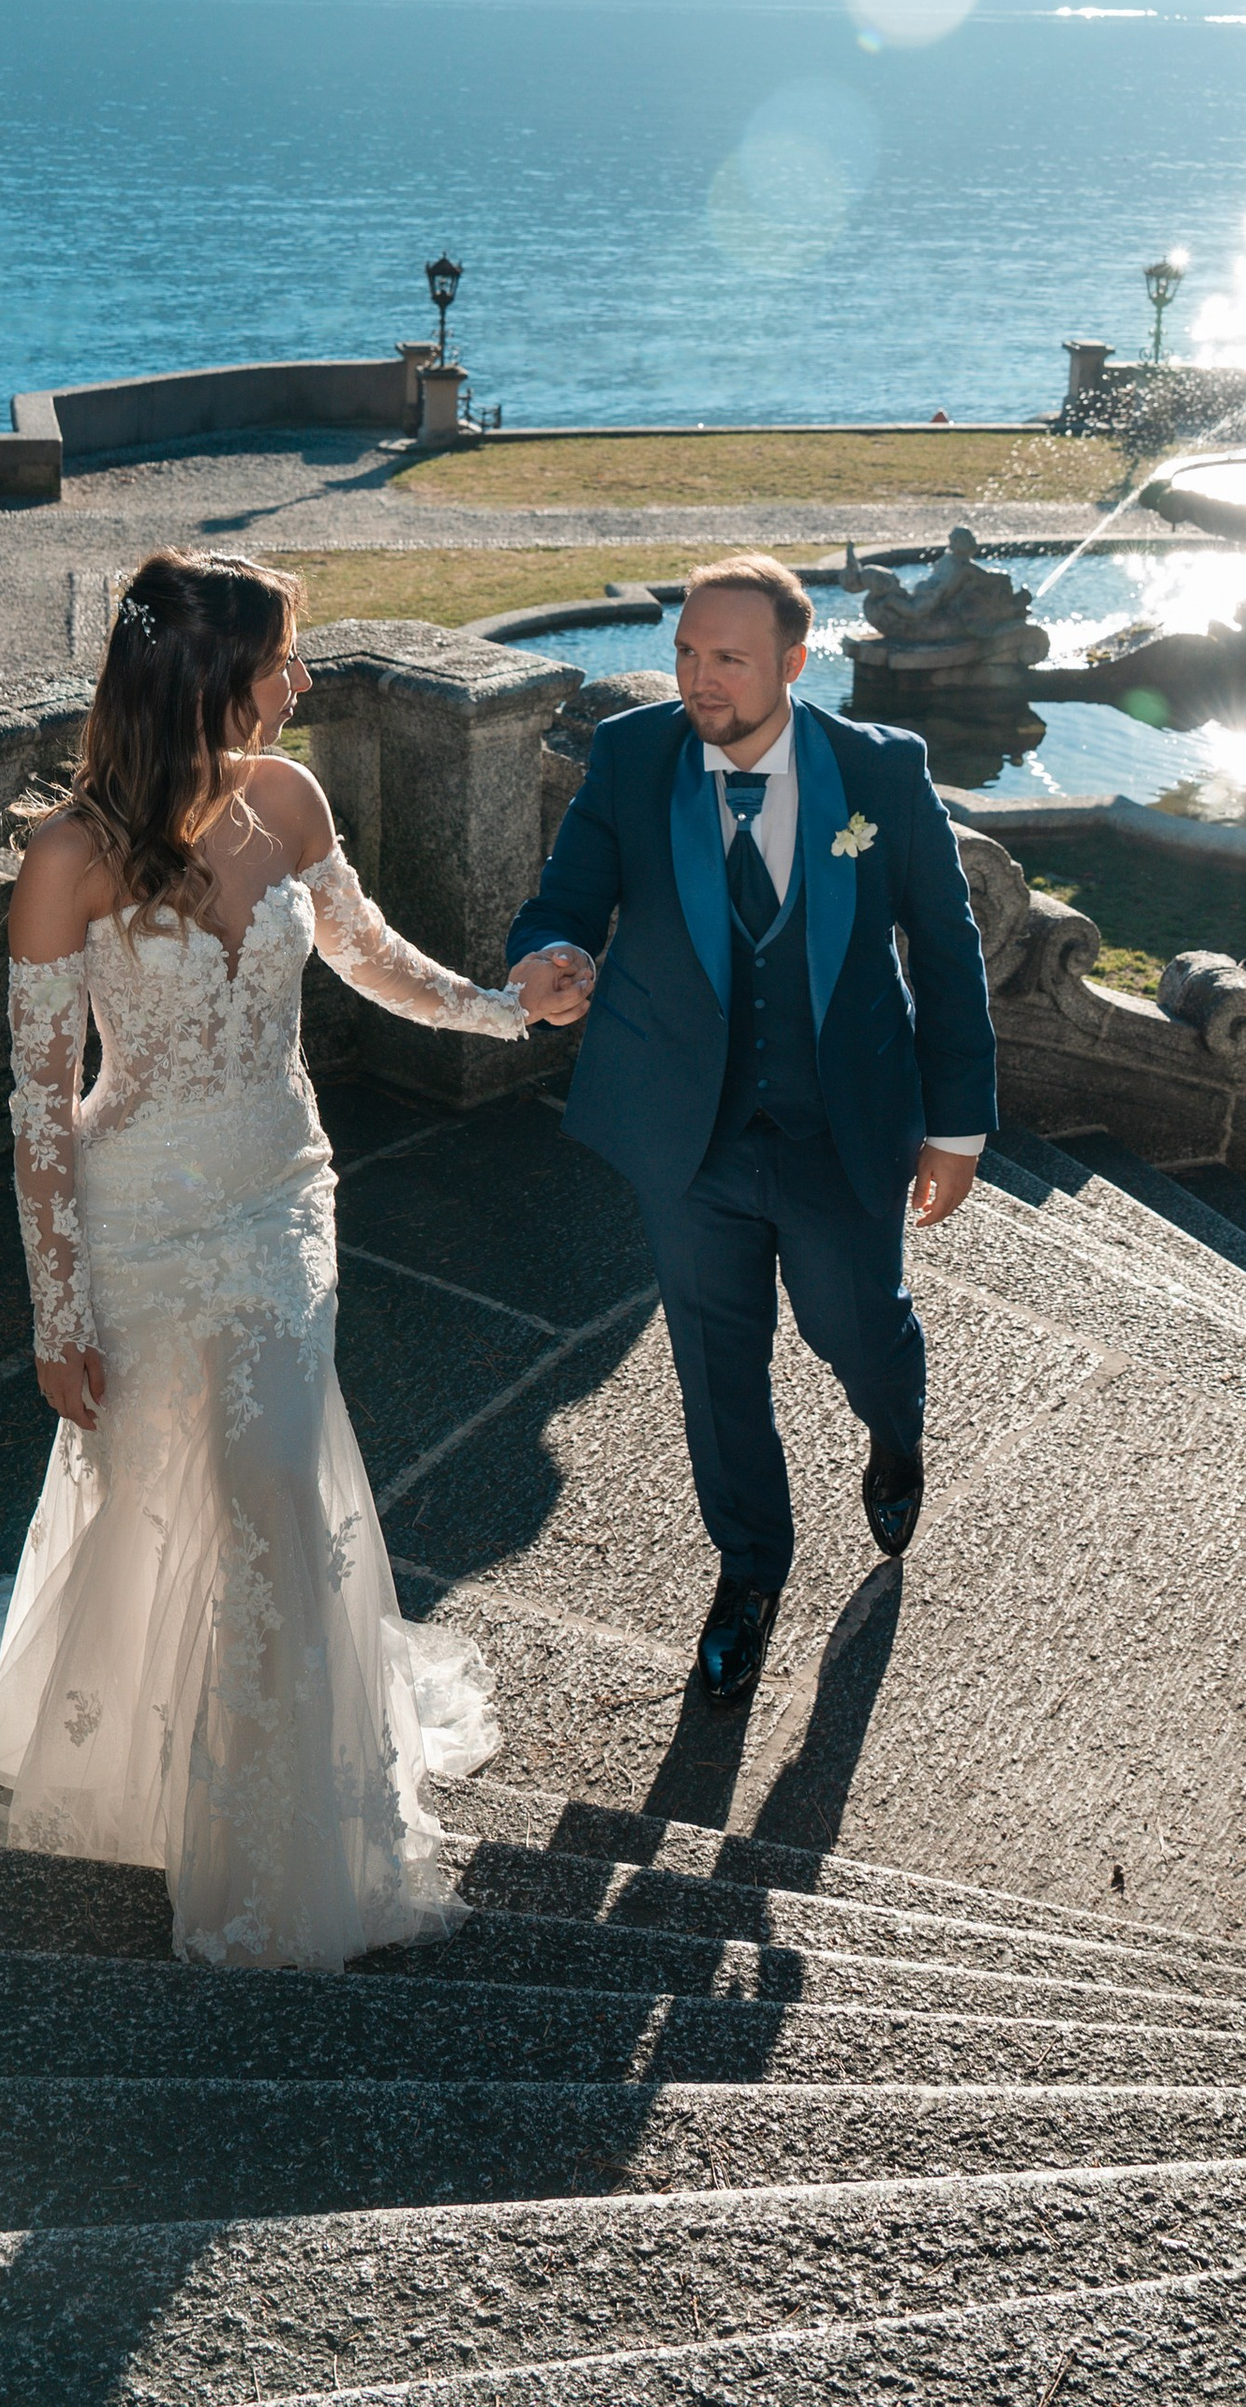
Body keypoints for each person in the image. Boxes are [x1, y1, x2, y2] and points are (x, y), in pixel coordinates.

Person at [0, 548, 586, 1969]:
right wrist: (60, 1318)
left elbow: (364, 956)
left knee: (276, 1478)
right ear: (207, 675)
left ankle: (284, 1837)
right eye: (286, 657)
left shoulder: (289, 798)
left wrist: (501, 1009)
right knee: (162, 1481)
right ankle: (136, 1757)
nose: (304, 681)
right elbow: (40, 1104)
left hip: (284, 1194)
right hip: (142, 1217)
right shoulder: (70, 860)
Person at [507, 552, 998, 1708]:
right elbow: (563, 898)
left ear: (792, 659)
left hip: (845, 1129)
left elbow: (945, 943)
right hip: (688, 1138)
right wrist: (547, 956)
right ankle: (748, 1574)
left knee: (855, 1332)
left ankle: (895, 1423)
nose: (698, 678)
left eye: (726, 657)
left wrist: (958, 1127)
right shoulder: (632, 758)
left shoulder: (881, 769)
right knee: (715, 1370)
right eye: (685, 652)